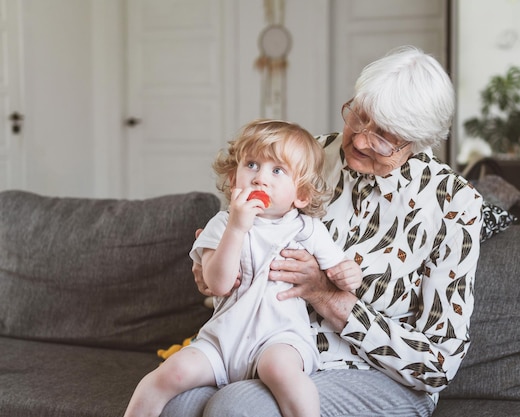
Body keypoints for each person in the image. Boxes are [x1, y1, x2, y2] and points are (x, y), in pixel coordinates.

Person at [170, 45, 484, 417]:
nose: (360, 139)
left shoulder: (452, 203)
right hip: (265, 348)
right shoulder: (311, 155)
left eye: (383, 135)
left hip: (378, 374)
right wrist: (212, 264)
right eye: (359, 116)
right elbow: (242, 229)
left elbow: (437, 364)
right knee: (178, 403)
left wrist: (327, 296)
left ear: (417, 141)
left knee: (236, 408)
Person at [124, 119, 363, 417]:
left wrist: (349, 274)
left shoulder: (307, 229)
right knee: (168, 374)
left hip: (279, 338)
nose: (260, 178)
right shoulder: (223, 224)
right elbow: (218, 284)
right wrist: (237, 228)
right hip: (221, 341)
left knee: (281, 371)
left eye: (277, 171)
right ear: (233, 175)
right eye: (251, 164)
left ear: (301, 194)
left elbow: (341, 273)